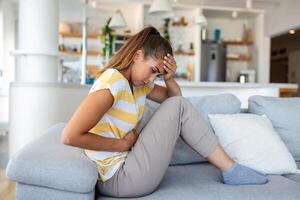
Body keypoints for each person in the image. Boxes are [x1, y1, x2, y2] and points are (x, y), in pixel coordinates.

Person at [61, 26, 268, 198]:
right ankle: (231, 169)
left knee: (178, 104)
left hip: (128, 165)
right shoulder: (112, 83)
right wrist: (122, 144)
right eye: (153, 70)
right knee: (179, 106)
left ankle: (230, 169)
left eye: (157, 76)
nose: (152, 80)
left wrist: (169, 78)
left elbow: (175, 100)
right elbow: (70, 136)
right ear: (137, 55)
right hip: (118, 178)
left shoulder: (137, 84)